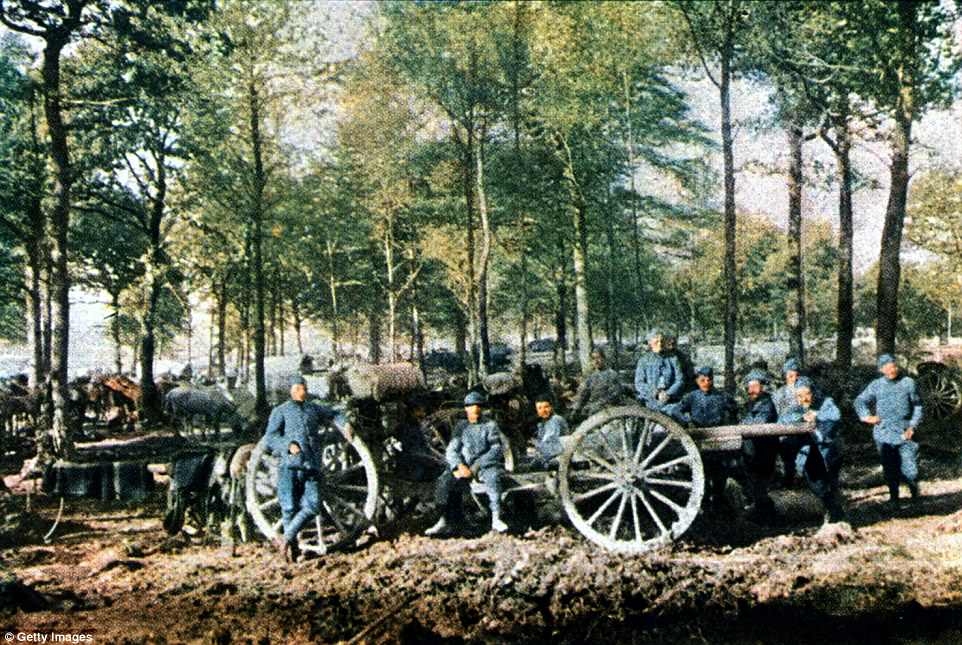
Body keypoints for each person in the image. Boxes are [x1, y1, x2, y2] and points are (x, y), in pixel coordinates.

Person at [264, 375, 341, 562]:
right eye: (298, 389)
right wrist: (288, 444)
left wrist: (345, 424)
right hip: (289, 466)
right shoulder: (280, 411)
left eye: (304, 388)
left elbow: (335, 413)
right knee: (289, 507)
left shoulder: (313, 409)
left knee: (313, 505)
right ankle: (292, 551)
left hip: (311, 466)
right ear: (291, 391)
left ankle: (286, 538)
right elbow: (270, 438)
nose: (302, 392)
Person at [426, 391, 507, 536]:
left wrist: (477, 466)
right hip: (465, 466)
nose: (474, 412)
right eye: (471, 409)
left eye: (477, 409)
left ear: (481, 409)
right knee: (445, 481)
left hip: (485, 465)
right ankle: (444, 520)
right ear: (466, 409)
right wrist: (458, 465)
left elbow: (496, 449)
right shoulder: (461, 426)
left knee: (493, 478)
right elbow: (452, 449)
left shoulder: (490, 425)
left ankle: (496, 518)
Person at [854, 353, 923, 511]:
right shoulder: (876, 385)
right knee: (890, 468)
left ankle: (915, 499)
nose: (892, 370)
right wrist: (866, 417)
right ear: (881, 369)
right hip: (884, 432)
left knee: (910, 468)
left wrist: (913, 426)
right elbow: (860, 401)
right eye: (888, 367)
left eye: (894, 366)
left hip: (906, 431)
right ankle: (894, 500)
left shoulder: (908, 383)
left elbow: (918, 406)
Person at [779, 376, 845, 524]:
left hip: (830, 450)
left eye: (807, 394)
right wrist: (801, 417)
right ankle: (831, 510)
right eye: (800, 396)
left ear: (813, 392)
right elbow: (783, 420)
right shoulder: (796, 407)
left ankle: (837, 516)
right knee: (816, 484)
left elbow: (836, 415)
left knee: (831, 482)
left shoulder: (826, 402)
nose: (804, 399)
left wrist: (818, 415)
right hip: (810, 450)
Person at [674, 366, 737, 509]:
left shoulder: (721, 396)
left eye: (709, 380)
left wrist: (728, 424)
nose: (706, 383)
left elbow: (734, 409)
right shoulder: (692, 396)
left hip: (717, 440)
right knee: (702, 471)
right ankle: (705, 501)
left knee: (720, 473)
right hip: (698, 438)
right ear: (697, 381)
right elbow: (676, 410)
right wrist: (686, 421)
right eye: (702, 380)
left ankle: (719, 501)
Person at [740, 369, 779, 523]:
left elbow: (758, 423)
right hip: (752, 449)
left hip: (764, 449)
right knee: (753, 482)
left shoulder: (767, 403)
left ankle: (767, 516)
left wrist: (744, 424)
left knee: (760, 483)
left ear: (762, 387)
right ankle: (762, 513)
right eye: (750, 387)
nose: (752, 390)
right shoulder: (749, 405)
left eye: (755, 386)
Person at [634, 330, 685, 412]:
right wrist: (656, 393)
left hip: (670, 399)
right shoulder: (644, 360)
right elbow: (639, 383)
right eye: (656, 342)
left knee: (676, 412)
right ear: (650, 343)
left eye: (661, 341)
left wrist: (668, 393)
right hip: (649, 400)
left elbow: (679, 380)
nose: (660, 344)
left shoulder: (672, 359)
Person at [571, 348, 624, 418]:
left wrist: (598, 405)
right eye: (593, 359)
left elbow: (615, 394)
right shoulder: (591, 377)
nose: (596, 361)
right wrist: (576, 409)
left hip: (609, 410)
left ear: (604, 359)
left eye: (598, 358)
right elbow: (583, 394)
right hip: (592, 410)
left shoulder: (612, 375)